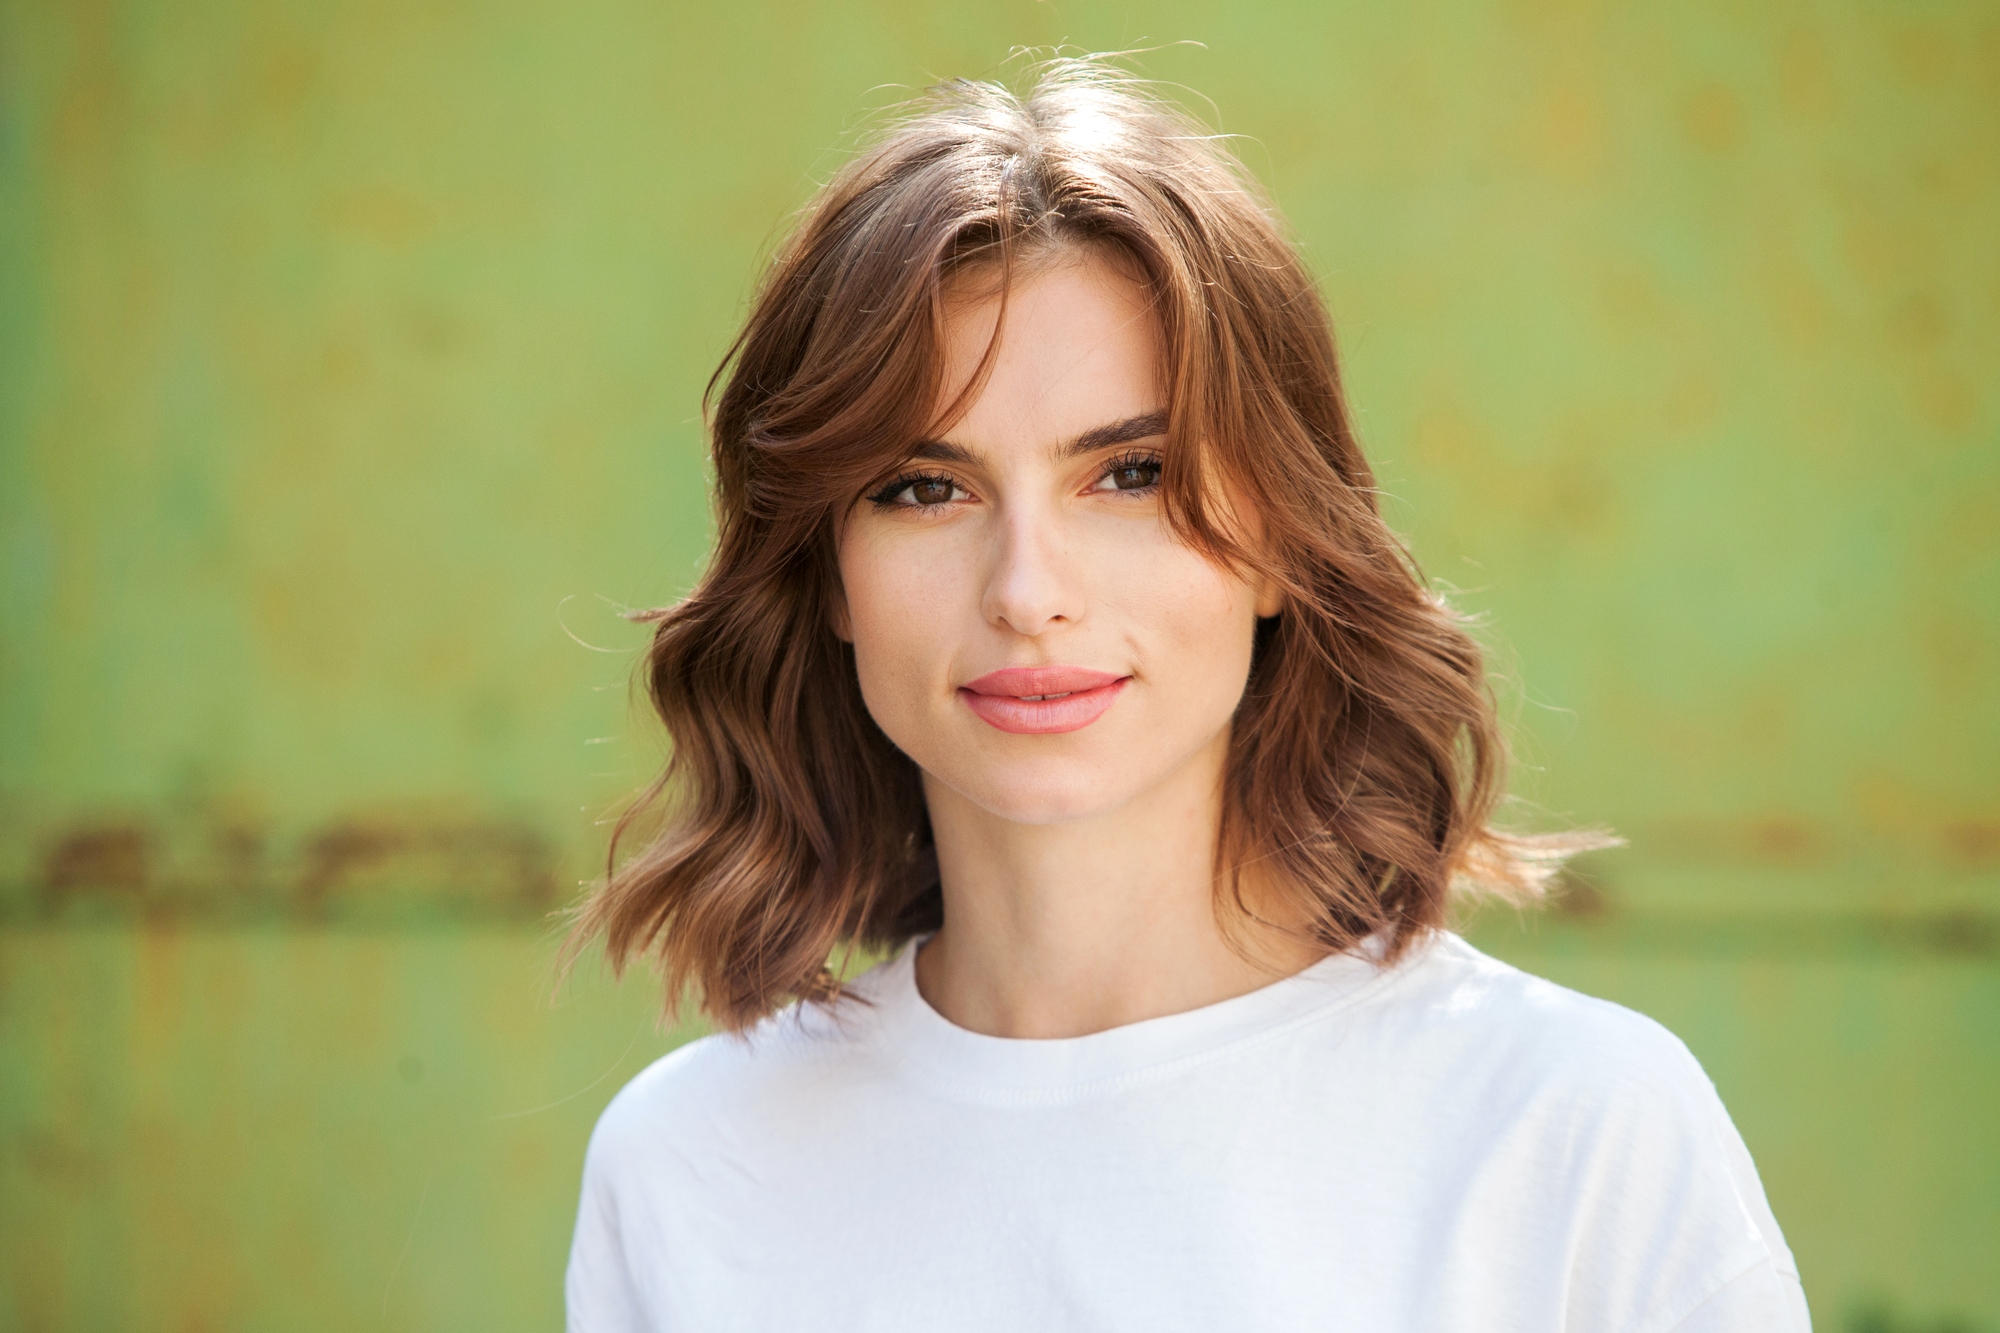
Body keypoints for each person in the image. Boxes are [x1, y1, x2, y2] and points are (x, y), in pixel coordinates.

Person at [562, 57, 1809, 1332]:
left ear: (1277, 537)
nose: (1027, 590)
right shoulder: (686, 1166)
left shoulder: (1567, 1132)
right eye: (921, 488)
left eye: (1131, 473)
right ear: (826, 572)